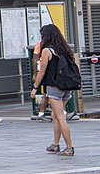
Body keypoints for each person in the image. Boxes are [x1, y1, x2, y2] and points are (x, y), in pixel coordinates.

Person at [30, 24, 76, 156]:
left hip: (54, 87)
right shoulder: (64, 49)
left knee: (61, 117)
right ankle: (55, 145)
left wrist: (35, 88)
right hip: (67, 86)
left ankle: (69, 147)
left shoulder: (47, 51)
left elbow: (42, 72)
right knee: (55, 116)